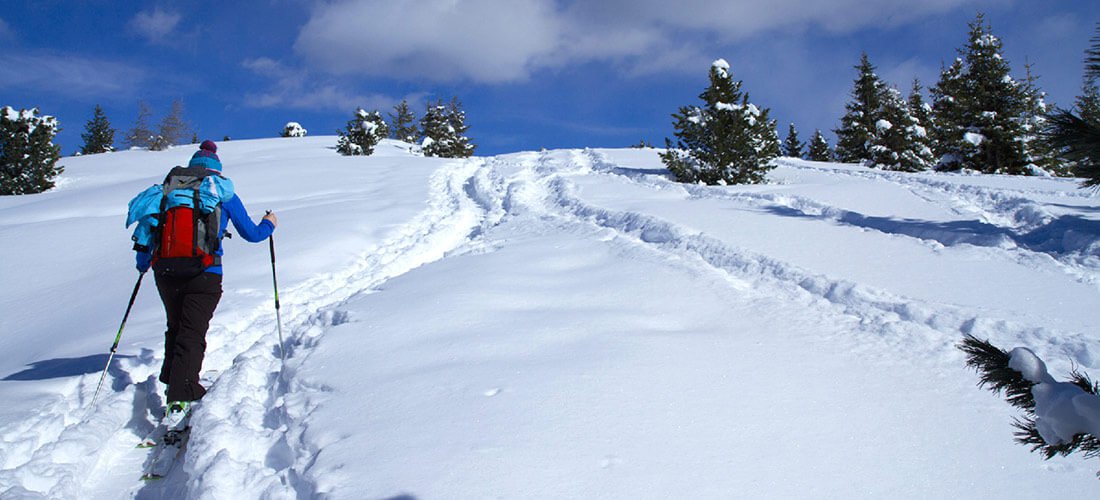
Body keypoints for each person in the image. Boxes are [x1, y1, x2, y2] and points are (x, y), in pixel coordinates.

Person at [135, 140, 277, 428]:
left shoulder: (167, 191)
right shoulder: (221, 191)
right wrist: (270, 224)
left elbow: (145, 236)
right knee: (193, 331)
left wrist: (144, 266)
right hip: (206, 272)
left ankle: (172, 380)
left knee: (175, 326)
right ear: (216, 168)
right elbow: (251, 234)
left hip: (165, 271)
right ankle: (181, 396)